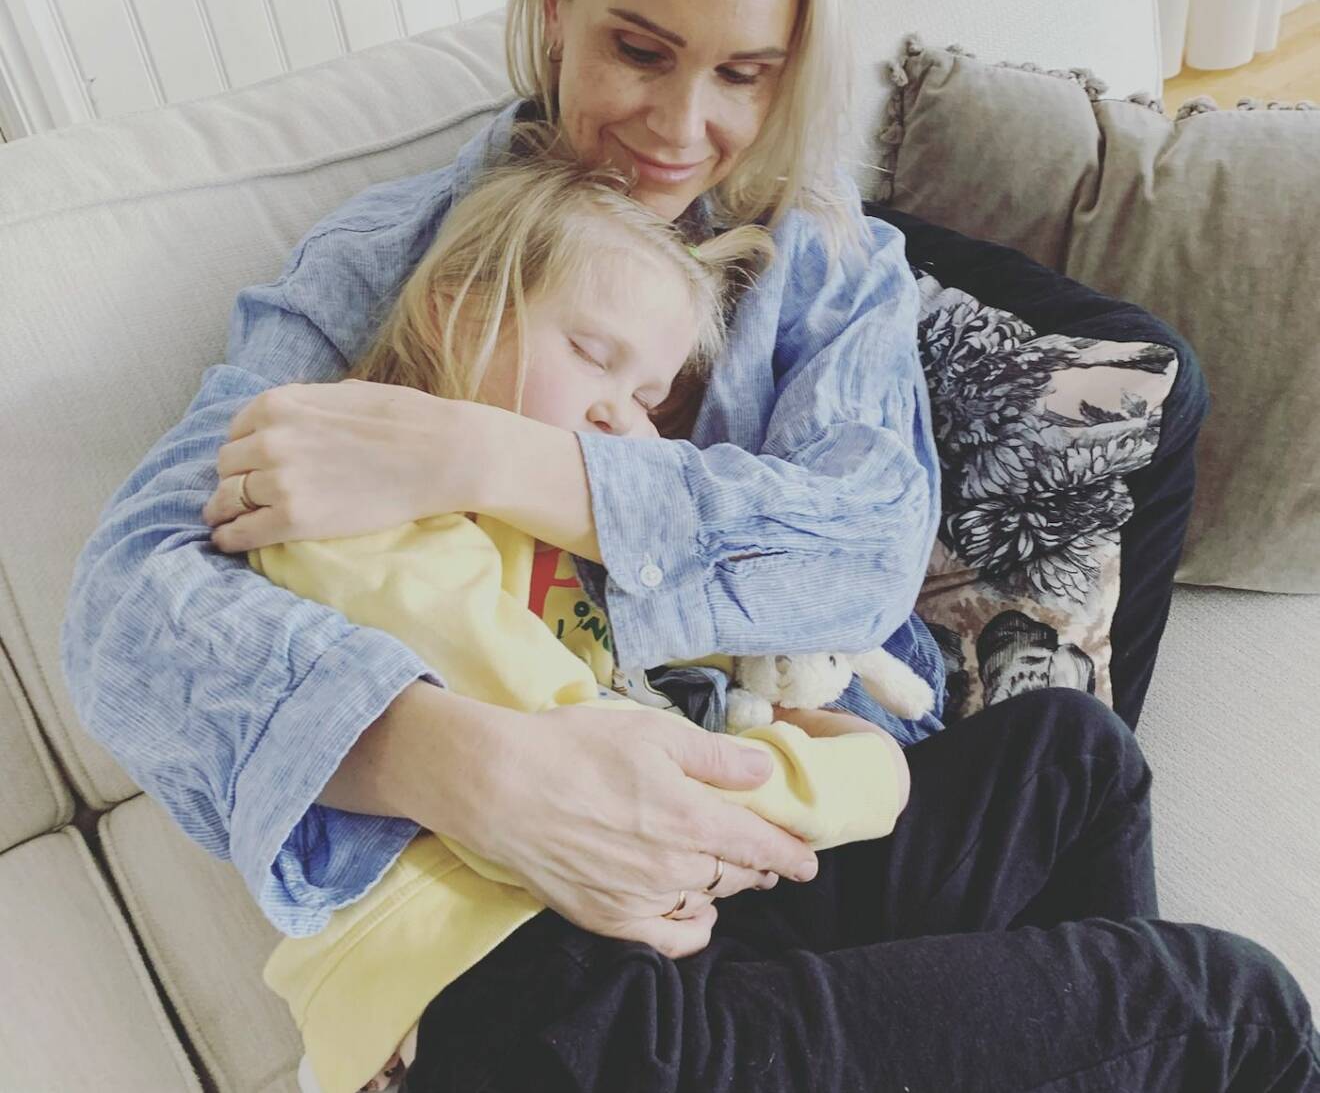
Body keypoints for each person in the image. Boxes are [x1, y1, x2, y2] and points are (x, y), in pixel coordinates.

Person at [60, 0, 1316, 1093]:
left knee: (1080, 757)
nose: (678, 126)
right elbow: (128, 607)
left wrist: (492, 459)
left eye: (742, 74)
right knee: (1239, 1013)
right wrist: (468, 763)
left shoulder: (823, 264)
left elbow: (864, 549)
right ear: (558, 12)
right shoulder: (403, 264)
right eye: (640, 50)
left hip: (772, 845)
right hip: (564, 947)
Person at [251, 148, 920, 1092]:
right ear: (456, 307)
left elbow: (718, 690)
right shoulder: (360, 514)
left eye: (648, 400)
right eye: (592, 357)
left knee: (1067, 752)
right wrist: (862, 770)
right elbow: (613, 783)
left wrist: (831, 747)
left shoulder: (583, 550)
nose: (618, 419)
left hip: (643, 921)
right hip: (486, 963)